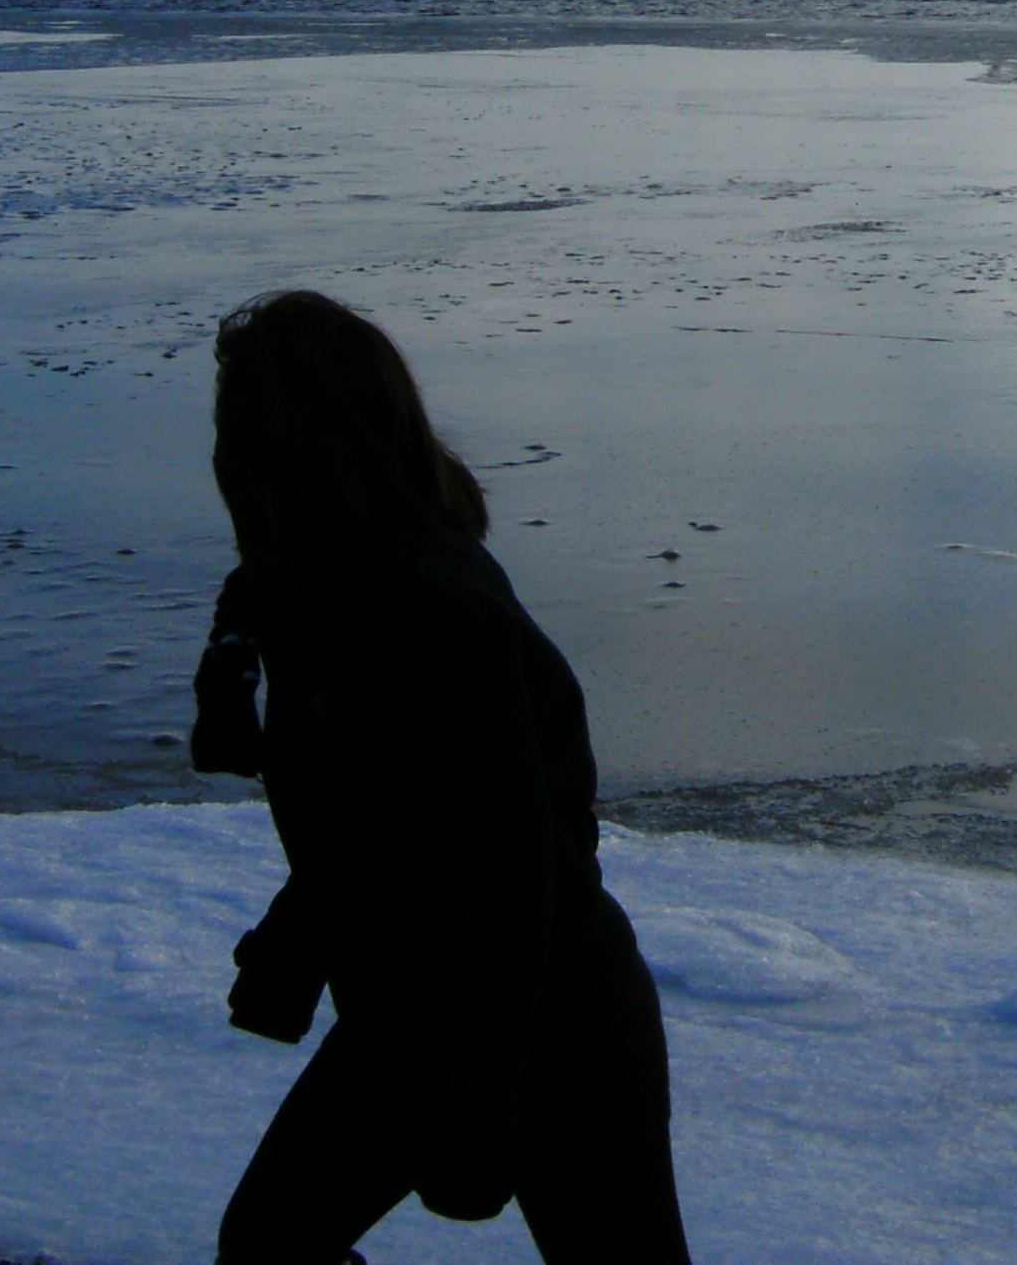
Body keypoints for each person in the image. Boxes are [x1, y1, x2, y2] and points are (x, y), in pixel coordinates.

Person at [191, 288, 691, 1264]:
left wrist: (479, 1094)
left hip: (547, 1024)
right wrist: (300, 940)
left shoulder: (434, 609)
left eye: (235, 429)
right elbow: (388, 819)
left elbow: (510, 872)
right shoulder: (325, 581)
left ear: (286, 451)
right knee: (268, 1244)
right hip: (415, 1010)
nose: (219, 457)